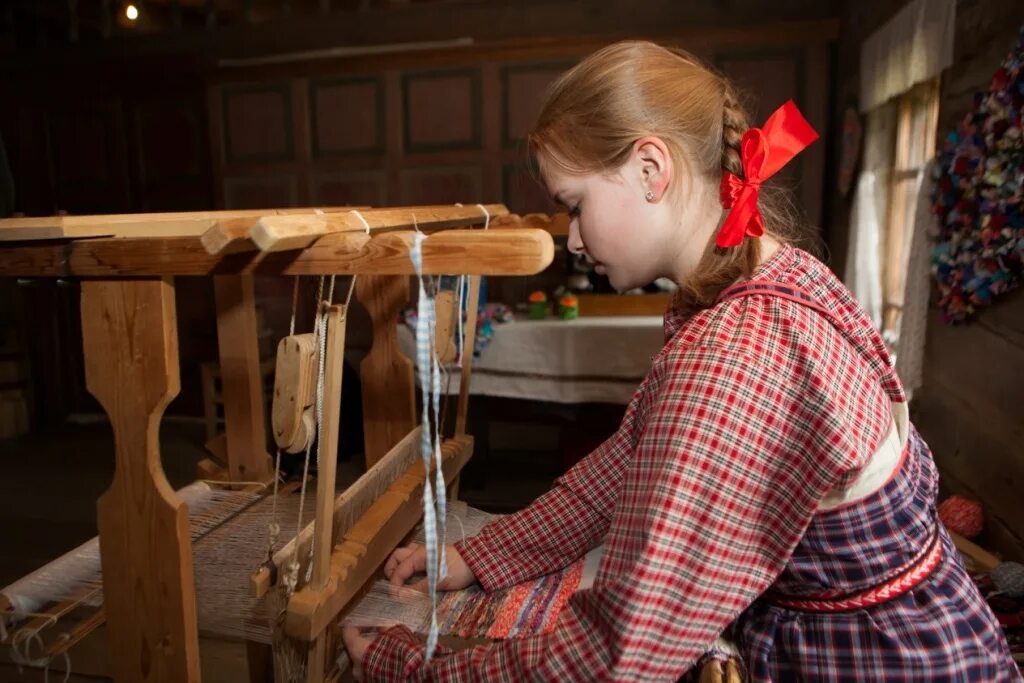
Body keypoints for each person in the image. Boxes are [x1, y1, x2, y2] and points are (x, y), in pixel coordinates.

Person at [342, 41, 1021, 681]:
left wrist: (414, 667)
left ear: (649, 169)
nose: (573, 238)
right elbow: (632, 458)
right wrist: (478, 555)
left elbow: (620, 654)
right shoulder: (770, 276)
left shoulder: (734, 353)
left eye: (574, 205)